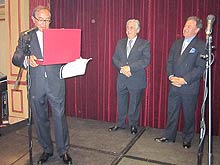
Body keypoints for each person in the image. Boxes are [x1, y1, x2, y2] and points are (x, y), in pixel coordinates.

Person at [12, 6, 72, 164]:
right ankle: (46, 149)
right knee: (40, 118)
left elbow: (67, 55)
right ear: (34, 20)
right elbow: (16, 57)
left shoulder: (58, 35)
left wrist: (72, 56)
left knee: (59, 117)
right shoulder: (26, 36)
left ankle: (63, 151)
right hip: (37, 84)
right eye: (41, 20)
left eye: (48, 20)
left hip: (56, 83)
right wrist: (27, 59)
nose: (45, 24)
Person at [155, 16, 206, 149]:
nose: (185, 28)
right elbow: (169, 62)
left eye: (189, 26)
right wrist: (171, 76)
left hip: (189, 86)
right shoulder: (177, 43)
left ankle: (187, 138)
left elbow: (200, 67)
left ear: (197, 29)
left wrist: (184, 80)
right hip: (174, 84)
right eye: (185, 25)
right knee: (172, 111)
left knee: (189, 113)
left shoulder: (201, 45)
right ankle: (169, 136)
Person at [109, 19, 151, 135]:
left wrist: (130, 68)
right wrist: (122, 68)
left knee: (134, 104)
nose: (128, 30)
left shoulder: (144, 43)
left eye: (131, 28)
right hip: (122, 77)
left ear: (138, 30)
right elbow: (115, 58)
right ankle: (120, 123)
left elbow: (146, 60)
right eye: (127, 27)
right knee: (121, 102)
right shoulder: (120, 42)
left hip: (136, 78)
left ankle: (133, 125)